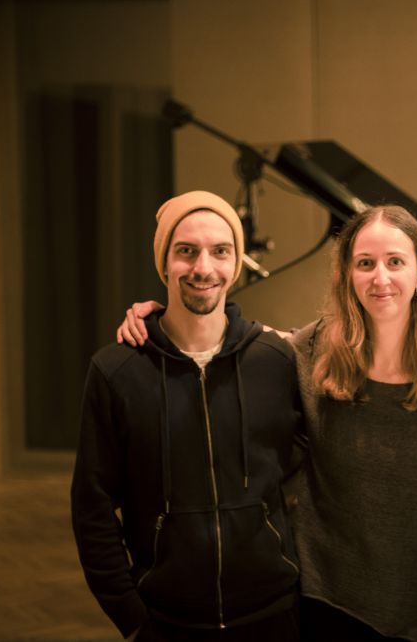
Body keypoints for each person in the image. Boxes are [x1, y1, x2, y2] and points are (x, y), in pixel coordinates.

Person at [117, 204, 417, 642]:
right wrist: (160, 318)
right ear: (348, 274)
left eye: (395, 262)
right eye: (365, 263)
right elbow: (220, 340)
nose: (380, 278)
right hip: (324, 597)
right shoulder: (311, 351)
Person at [72, 191, 304, 641]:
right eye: (186, 251)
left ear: (235, 263)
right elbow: (91, 506)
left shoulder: (275, 360)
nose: (203, 267)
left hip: (273, 615)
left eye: (220, 251)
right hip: (165, 622)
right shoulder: (116, 371)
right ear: (164, 263)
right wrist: (129, 613)